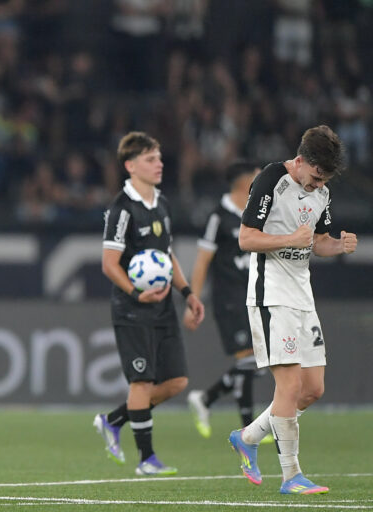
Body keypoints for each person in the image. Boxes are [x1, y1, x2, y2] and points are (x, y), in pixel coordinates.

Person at [228, 125, 357, 495]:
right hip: (271, 293)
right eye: (315, 177)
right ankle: (291, 476)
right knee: (290, 385)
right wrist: (289, 239)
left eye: (324, 180)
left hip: (303, 295)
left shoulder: (322, 193)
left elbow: (318, 244)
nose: (317, 185)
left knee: (313, 388)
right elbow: (246, 237)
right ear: (300, 161)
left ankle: (248, 436)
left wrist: (339, 245)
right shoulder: (271, 179)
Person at [93, 131, 205, 475]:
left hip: (162, 306)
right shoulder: (121, 209)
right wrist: (135, 293)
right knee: (140, 383)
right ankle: (146, 460)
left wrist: (187, 293)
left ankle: (112, 420)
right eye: (150, 159)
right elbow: (109, 264)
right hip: (132, 308)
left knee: (176, 382)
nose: (159, 164)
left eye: (159, 158)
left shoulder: (162, 203)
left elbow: (166, 255)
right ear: (130, 166)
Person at [184, 162, 267, 439]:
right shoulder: (219, 217)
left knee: (256, 364)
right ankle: (249, 429)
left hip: (255, 297)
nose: (261, 180)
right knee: (248, 361)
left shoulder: (259, 214)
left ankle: (206, 399)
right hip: (229, 300)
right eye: (257, 176)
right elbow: (202, 260)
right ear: (245, 183)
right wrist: (192, 299)